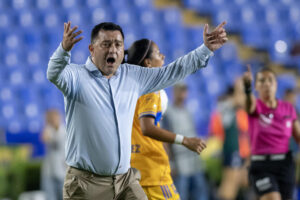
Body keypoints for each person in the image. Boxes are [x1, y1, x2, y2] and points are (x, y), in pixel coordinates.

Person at [47, 21, 228, 199]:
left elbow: (173, 71)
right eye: (106, 44)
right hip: (87, 184)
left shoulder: (131, 75)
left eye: (118, 44)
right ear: (92, 49)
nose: (112, 50)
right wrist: (64, 49)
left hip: (124, 180)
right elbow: (53, 73)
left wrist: (205, 49)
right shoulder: (76, 77)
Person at [126, 39, 207, 200]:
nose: (162, 56)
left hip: (134, 169)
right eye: (157, 53)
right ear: (148, 63)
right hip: (152, 173)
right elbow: (147, 128)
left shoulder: (128, 87)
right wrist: (184, 140)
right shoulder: (151, 89)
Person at [242, 65, 300, 200]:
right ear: (256, 86)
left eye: (270, 80)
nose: (267, 84)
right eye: (262, 81)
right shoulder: (256, 107)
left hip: (285, 165)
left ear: (276, 84)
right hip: (262, 166)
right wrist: (247, 89)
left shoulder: (288, 108)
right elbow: (249, 105)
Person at [162, 83, 209, 200]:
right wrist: (170, 163)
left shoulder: (188, 111)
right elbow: (165, 141)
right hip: (179, 163)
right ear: (174, 92)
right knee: (180, 196)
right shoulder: (168, 113)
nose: (182, 94)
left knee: (201, 195)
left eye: (184, 91)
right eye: (180, 90)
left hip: (194, 161)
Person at [209, 80, 251, 200]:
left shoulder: (240, 110)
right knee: (229, 185)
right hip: (232, 150)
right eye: (240, 92)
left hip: (241, 151)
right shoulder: (226, 105)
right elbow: (239, 101)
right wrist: (239, 87)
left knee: (242, 181)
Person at [41, 109, 66, 200]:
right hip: (49, 172)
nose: (53, 120)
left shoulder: (65, 131)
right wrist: (47, 125)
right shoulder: (48, 130)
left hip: (63, 171)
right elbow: (44, 138)